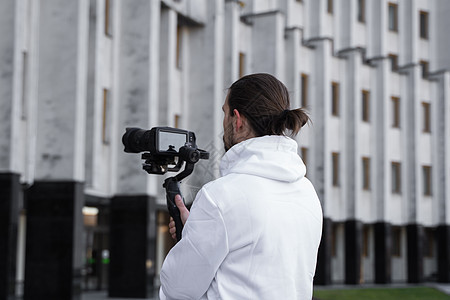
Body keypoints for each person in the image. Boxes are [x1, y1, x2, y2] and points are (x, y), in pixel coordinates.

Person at [159, 73, 323, 300]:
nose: (224, 121)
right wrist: (196, 231)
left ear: (237, 120)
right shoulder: (307, 193)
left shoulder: (220, 196)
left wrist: (190, 241)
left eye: (224, 113)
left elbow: (177, 290)